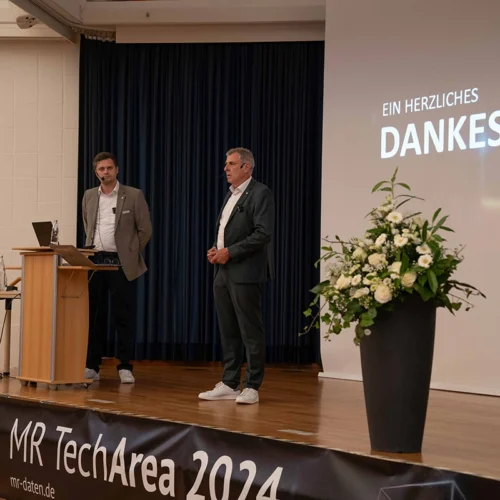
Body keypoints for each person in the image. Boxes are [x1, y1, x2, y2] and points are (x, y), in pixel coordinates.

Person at [199, 147, 275, 404]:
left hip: (245, 271)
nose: (225, 168)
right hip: (223, 271)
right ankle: (230, 382)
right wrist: (216, 249)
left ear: (246, 167)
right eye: (226, 164)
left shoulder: (260, 193)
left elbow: (263, 234)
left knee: (250, 330)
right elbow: (226, 230)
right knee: (228, 329)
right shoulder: (231, 194)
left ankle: (252, 385)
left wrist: (229, 252)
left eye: (231, 164)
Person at [82, 152, 152, 384]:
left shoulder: (133, 195)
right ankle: (92, 365)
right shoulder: (89, 195)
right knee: (94, 316)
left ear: (117, 170)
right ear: (96, 173)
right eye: (101, 169)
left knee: (124, 314)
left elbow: (145, 230)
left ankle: (125, 366)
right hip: (95, 261)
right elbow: (87, 225)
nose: (106, 172)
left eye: (109, 168)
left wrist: (130, 252)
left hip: (121, 262)